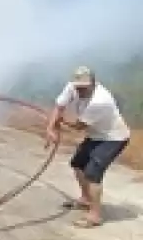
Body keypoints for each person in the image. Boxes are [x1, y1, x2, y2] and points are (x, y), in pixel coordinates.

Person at [46, 66, 130, 228]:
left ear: (93, 83)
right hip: (95, 135)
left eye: (84, 87)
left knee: (92, 173)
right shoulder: (72, 87)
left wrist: (61, 123)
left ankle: (95, 215)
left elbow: (79, 126)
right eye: (78, 87)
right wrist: (50, 128)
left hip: (113, 138)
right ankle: (85, 199)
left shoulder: (100, 101)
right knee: (77, 164)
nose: (80, 91)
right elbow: (59, 107)